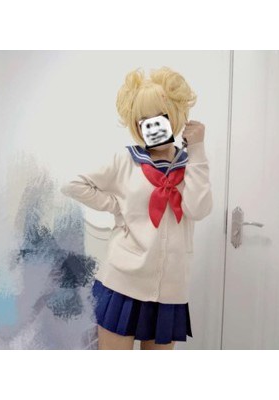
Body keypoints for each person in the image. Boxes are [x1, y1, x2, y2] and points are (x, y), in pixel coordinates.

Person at [60, 66, 213, 350]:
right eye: (144, 119)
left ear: (175, 115)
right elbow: (73, 184)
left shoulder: (192, 165)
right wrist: (115, 206)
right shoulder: (125, 161)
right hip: (123, 283)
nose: (153, 125)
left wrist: (198, 149)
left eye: (161, 115)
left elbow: (198, 209)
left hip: (170, 292)